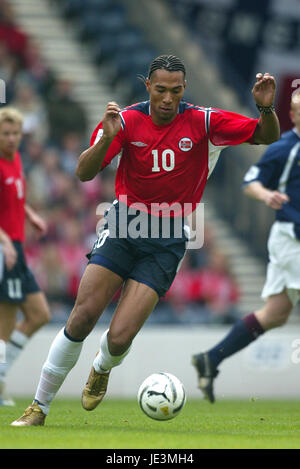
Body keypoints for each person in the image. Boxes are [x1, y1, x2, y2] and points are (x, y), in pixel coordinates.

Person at [11, 54, 279, 426]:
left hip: (168, 237)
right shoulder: (124, 121)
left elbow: (266, 135)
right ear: (147, 86)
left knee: (119, 338)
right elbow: (84, 172)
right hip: (123, 224)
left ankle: (102, 367)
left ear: (184, 89)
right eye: (160, 90)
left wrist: (266, 110)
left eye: (175, 91)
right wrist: (106, 137)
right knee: (83, 316)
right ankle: (39, 407)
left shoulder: (204, 122)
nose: (167, 99)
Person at [191, 91, 300, 403]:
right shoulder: (284, 149)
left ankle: (211, 358)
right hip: (292, 239)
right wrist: (267, 196)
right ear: (292, 114)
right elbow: (250, 181)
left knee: (276, 314)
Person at [0, 107, 50, 406]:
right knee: (5, 324)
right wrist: (5, 242)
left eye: (15, 133)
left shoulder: (16, 160)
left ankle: (1, 375)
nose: (10, 138)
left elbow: (15, 198)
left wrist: (30, 215)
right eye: (5, 134)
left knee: (39, 314)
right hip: (5, 249)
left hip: (15, 247)